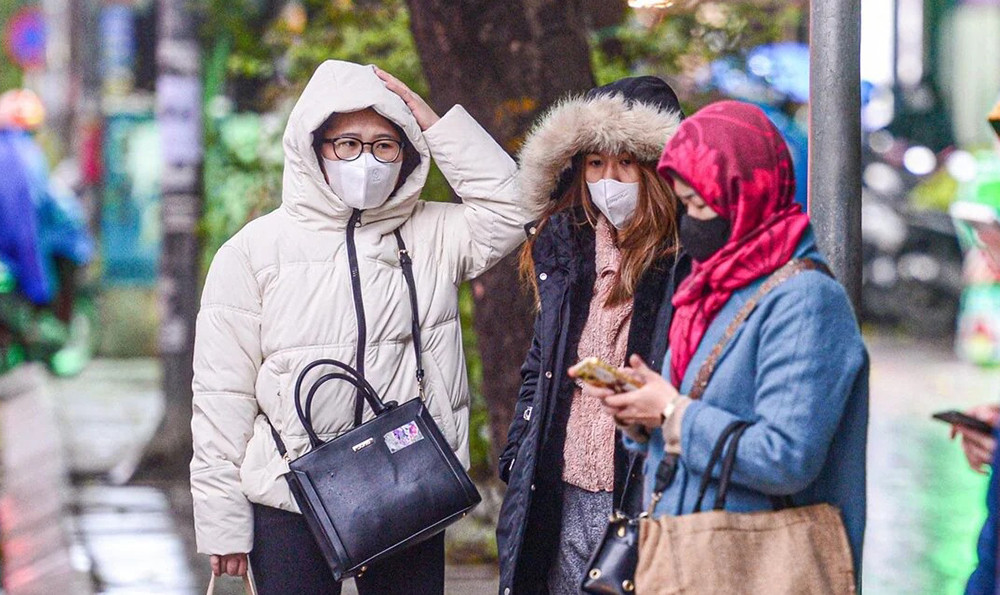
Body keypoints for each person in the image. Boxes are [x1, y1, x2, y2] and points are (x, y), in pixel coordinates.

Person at [190, 60, 539, 594]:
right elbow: (221, 398)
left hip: (409, 482)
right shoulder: (253, 252)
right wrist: (223, 523)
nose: (367, 160)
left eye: (385, 145)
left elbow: (514, 208)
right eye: (348, 144)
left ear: (407, 152)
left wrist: (435, 124)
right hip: (289, 496)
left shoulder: (433, 233)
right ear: (314, 147)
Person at [588, 100, 869, 583]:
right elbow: (691, 417)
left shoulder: (806, 300)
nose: (690, 222)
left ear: (747, 196)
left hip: (759, 568)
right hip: (687, 556)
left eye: (701, 206)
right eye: (685, 204)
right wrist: (642, 415)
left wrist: (671, 412)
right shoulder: (712, 287)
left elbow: (785, 457)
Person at [495, 76, 686, 595]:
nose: (609, 178)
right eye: (596, 163)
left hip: (640, 487)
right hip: (560, 486)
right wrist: (518, 455)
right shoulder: (567, 247)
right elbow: (540, 363)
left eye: (626, 162)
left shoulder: (682, 261)